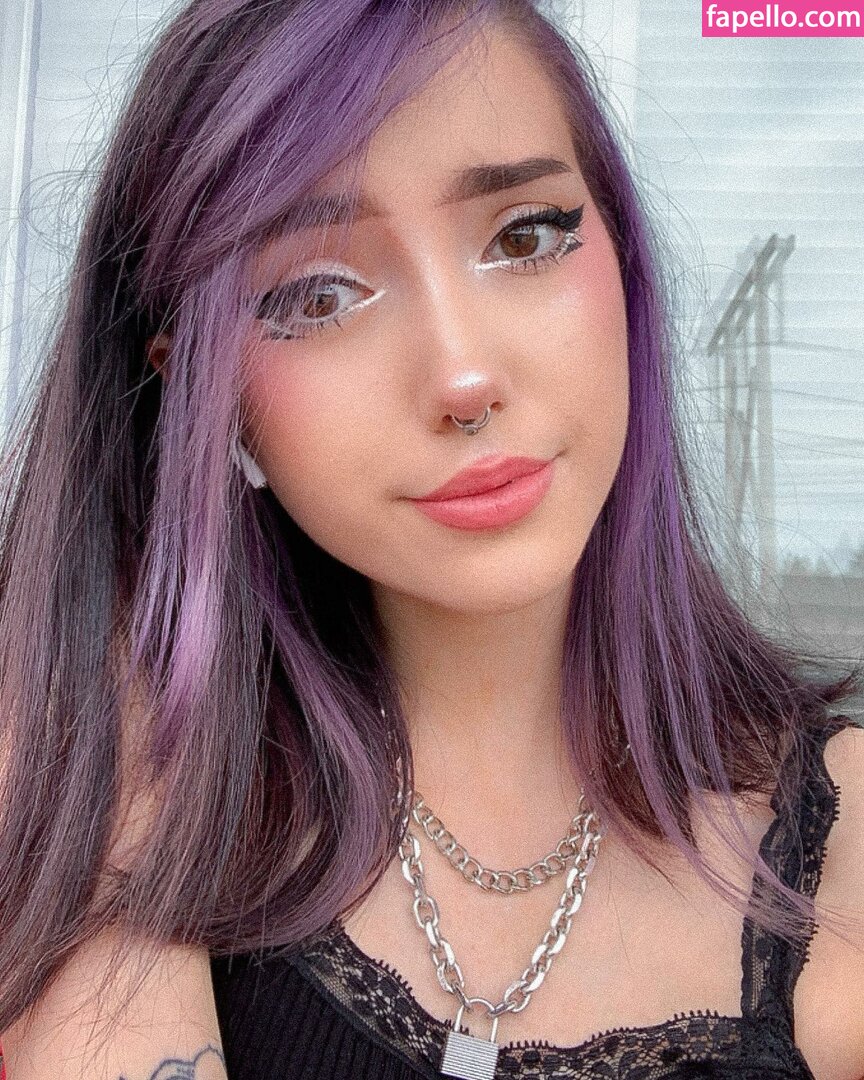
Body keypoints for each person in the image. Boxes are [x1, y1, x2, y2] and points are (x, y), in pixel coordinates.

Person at [0, 1, 862, 1077]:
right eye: (319, 294)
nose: (463, 376)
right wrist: (102, 792)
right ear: (205, 397)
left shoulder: (841, 852)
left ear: (625, 258)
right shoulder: (105, 805)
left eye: (525, 235)